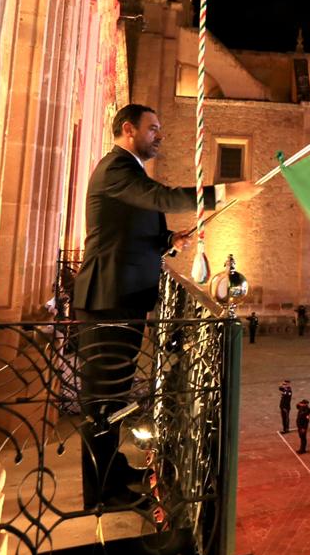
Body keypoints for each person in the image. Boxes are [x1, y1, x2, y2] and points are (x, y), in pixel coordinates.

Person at [71, 103, 256, 507]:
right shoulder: (117, 168)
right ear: (128, 129)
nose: (160, 135)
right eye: (152, 128)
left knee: (114, 399)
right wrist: (222, 192)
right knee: (102, 402)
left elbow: (131, 228)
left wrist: (167, 242)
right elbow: (163, 198)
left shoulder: (128, 172)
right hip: (107, 301)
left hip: (122, 298)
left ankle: (112, 471)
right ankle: (101, 492)